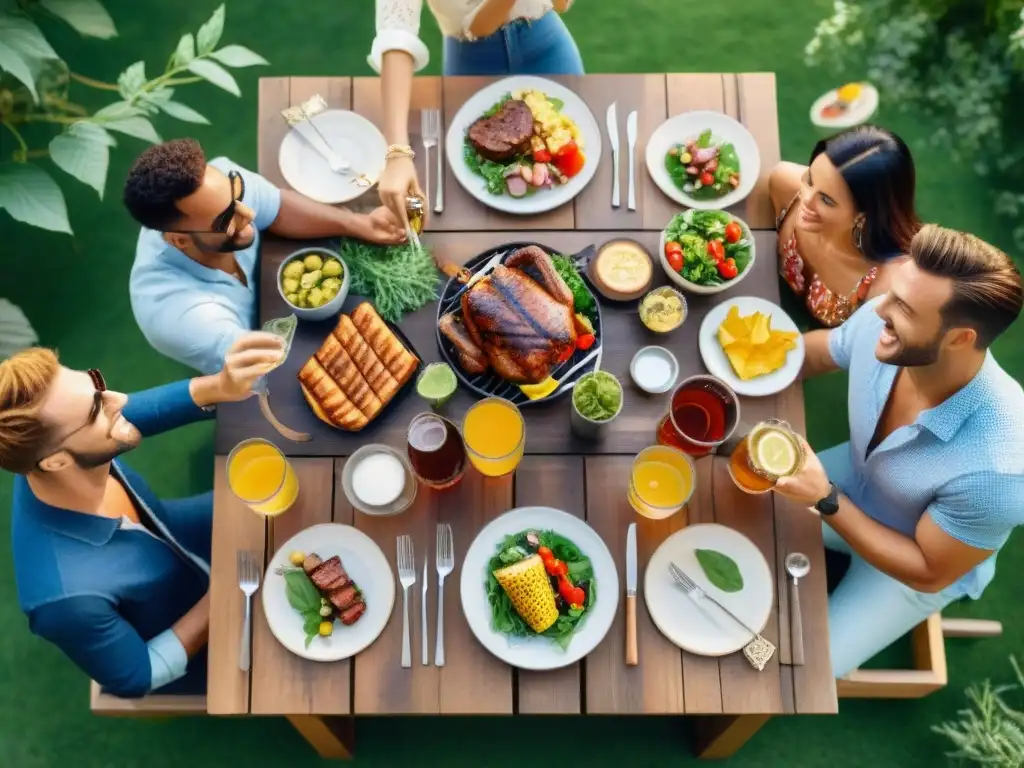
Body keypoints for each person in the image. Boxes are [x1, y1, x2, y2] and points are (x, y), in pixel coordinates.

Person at [772, 224, 1024, 678]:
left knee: (799, 673)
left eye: (903, 307)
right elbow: (813, 354)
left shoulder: (1001, 470)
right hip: (851, 482)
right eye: (893, 293)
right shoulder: (883, 320)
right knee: (733, 498)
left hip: (909, 564)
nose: (878, 307)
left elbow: (928, 570)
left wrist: (827, 499)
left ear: (959, 339)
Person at [2, 331, 283, 698]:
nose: (119, 399)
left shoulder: (64, 457)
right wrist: (222, 596)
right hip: (191, 620)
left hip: (176, 535)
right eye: (95, 410)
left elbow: (124, 415)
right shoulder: (63, 602)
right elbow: (138, 676)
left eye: (97, 385)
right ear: (56, 461)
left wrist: (220, 386)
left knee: (294, 493)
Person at [125, 138, 406, 375]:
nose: (248, 214)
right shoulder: (179, 315)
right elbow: (267, 368)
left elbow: (276, 205)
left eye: (239, 195)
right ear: (180, 240)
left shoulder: (220, 181)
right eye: (225, 219)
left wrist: (358, 224)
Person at [371, 0, 583, 226]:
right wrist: (397, 153)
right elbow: (396, 31)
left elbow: (561, 4)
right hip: (471, 63)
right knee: (476, 201)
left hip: (547, 47)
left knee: (576, 179)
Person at [769, 125, 921, 327]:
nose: (805, 199)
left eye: (827, 200)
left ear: (865, 214)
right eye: (810, 179)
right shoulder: (784, 186)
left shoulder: (889, 286)